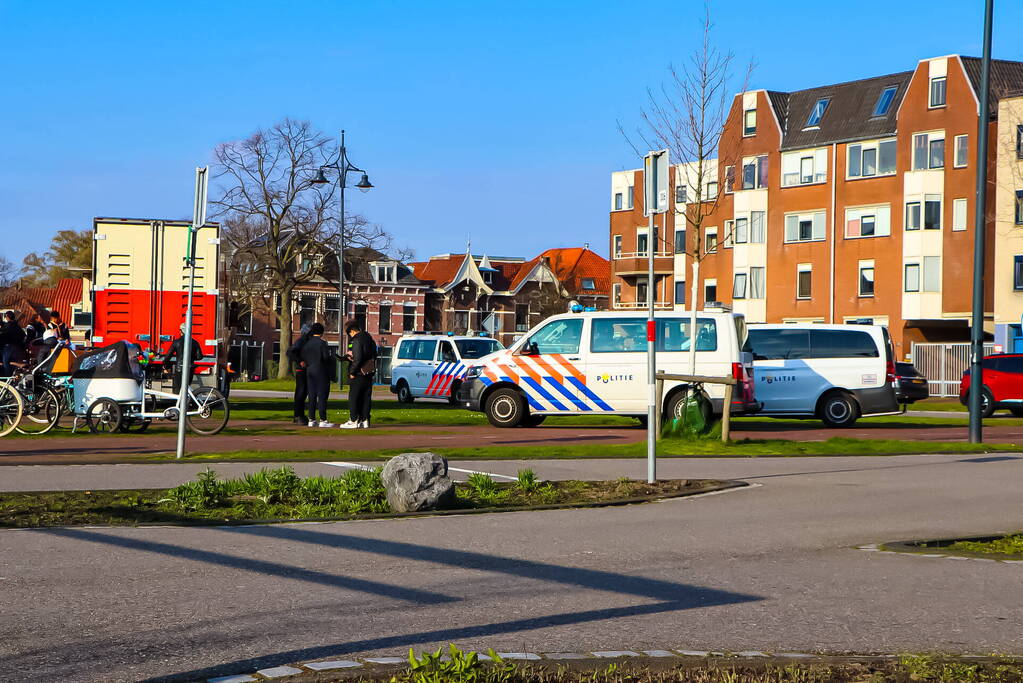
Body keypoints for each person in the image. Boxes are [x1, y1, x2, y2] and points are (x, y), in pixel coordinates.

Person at [339, 318, 377, 429]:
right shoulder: (368, 337)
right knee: (366, 397)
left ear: (351, 331)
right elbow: (374, 353)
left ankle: (353, 419)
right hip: (368, 371)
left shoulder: (356, 340)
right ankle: (365, 420)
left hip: (358, 373)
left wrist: (352, 371)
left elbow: (358, 357)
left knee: (354, 397)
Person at [299, 322, 334, 427]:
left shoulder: (307, 344)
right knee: (322, 396)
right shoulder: (322, 344)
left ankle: (311, 418)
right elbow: (326, 358)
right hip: (321, 371)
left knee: (312, 395)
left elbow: (303, 357)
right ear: (322, 332)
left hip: (310, 371)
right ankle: (323, 419)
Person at [164, 323, 204, 394]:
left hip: (179, 369)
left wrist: (165, 365)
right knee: (187, 388)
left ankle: (181, 404)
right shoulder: (195, 342)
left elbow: (168, 356)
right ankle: (187, 403)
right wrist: (191, 356)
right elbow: (199, 356)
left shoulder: (176, 342)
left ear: (181, 331)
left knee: (179, 390)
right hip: (190, 369)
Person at [285, 323, 313, 425]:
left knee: (303, 392)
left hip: (305, 370)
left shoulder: (306, 341)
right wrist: (300, 361)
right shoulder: (301, 341)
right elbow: (290, 352)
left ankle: (299, 414)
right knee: (301, 393)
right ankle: (298, 415)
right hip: (301, 371)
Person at [0, 311, 26, 377]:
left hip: (8, 347)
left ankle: (7, 377)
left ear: (8, 317)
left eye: (6, 317)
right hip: (17, 347)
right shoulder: (17, 326)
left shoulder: (7, 326)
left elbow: (3, 333)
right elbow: (23, 334)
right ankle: (15, 376)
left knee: (6, 362)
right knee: (13, 362)